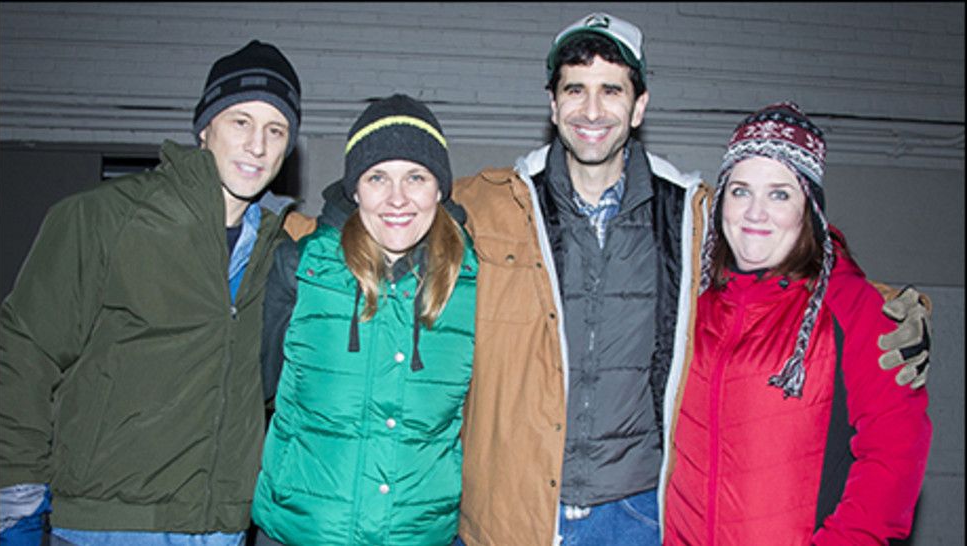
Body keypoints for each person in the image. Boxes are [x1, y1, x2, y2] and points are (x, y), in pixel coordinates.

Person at [275, 12, 932, 545]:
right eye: (575, 89)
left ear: (639, 105)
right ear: (553, 104)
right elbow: (391, 214)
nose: (592, 109)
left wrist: (879, 304)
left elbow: (783, 242)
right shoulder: (494, 203)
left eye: (612, 89)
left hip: (637, 515)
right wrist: (285, 239)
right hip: (514, 512)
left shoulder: (692, 213)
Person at [0, 39, 301, 546]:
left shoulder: (276, 253)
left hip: (221, 528)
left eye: (277, 130)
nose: (258, 145)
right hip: (109, 525)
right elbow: (25, 353)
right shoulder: (103, 218)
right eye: (240, 121)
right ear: (205, 128)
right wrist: (16, 503)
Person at [661, 102, 932, 544]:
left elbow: (894, 455)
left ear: (809, 209)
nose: (755, 213)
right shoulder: (692, 304)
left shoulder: (854, 308)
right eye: (741, 191)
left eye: (779, 194)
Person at [251, 94, 476, 546]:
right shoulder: (301, 268)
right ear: (355, 190)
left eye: (416, 177)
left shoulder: (473, 284)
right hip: (299, 534)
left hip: (421, 537)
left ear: (439, 189)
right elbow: (251, 392)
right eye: (378, 177)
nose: (398, 198)